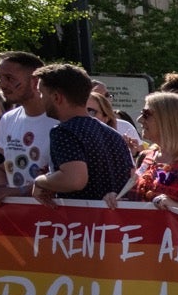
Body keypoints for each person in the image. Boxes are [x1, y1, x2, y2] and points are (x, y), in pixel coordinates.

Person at [24, 64, 135, 205]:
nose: (40, 99)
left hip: (82, 221)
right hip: (114, 222)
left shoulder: (64, 132)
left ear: (57, 97)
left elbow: (74, 180)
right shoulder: (112, 134)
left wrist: (40, 181)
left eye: (41, 93)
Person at [113, 92, 178, 213]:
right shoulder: (145, 157)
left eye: (146, 114)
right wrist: (115, 198)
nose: (140, 119)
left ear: (169, 120)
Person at [0, 51, 52, 206]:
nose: (1, 85)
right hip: (18, 217)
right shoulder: (8, 119)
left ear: (35, 81)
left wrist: (19, 191)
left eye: (9, 78)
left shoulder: (60, 120)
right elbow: (3, 170)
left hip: (56, 219)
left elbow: (69, 178)